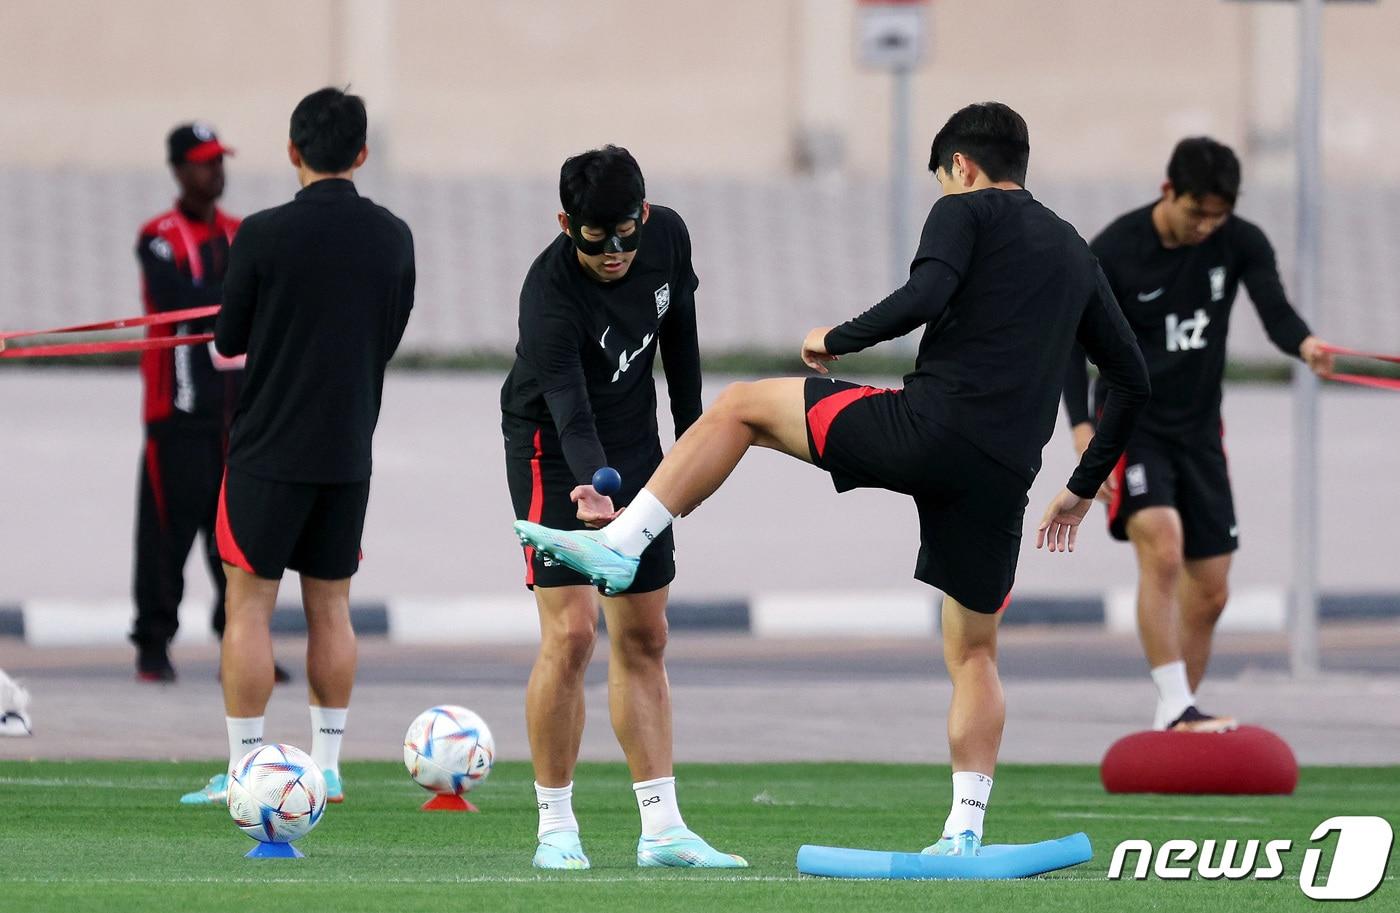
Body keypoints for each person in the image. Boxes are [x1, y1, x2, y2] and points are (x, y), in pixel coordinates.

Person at [517, 102, 1151, 858]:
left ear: (965, 167)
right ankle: (964, 831)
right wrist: (1081, 485)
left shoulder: (966, 212)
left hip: (928, 429)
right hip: (1007, 470)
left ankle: (624, 538)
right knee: (975, 652)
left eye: (945, 179)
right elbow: (1133, 379)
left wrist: (835, 339)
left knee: (743, 405)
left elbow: (925, 296)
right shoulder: (1077, 253)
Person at [500, 145, 743, 870]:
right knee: (572, 634)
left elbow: (683, 344)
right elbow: (571, 412)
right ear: (564, 223)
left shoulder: (667, 234)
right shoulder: (547, 296)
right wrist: (591, 487)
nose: (614, 253)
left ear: (643, 213)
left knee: (645, 635)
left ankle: (663, 829)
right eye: (594, 239)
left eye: (625, 235)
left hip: (638, 441)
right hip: (554, 451)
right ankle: (555, 827)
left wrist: (699, 445)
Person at [177, 88, 414, 807]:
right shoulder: (395, 236)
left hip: (267, 450)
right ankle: (329, 766)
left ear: (293, 151)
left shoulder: (260, 233)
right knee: (331, 607)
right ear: (362, 154)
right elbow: (389, 333)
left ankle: (248, 768)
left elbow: (227, 341)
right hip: (347, 451)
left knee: (247, 608)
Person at [1062, 137, 1334, 733]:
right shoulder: (1113, 251)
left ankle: (1176, 712)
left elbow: (1276, 312)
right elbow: (1070, 346)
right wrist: (1083, 429)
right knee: (1162, 545)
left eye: (1218, 215)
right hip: (1131, 426)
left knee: (1211, 593)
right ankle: (1176, 705)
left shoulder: (1240, 242)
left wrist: (1306, 345)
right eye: (1196, 212)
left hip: (1200, 434)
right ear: (1168, 192)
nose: (1206, 226)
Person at [130, 123, 289, 685]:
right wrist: (236, 295)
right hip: (177, 416)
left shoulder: (241, 232)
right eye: (202, 162)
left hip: (241, 418)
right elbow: (180, 300)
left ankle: (243, 646)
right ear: (177, 170)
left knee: (241, 538)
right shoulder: (159, 237)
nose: (214, 172)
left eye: (219, 160)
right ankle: (153, 645)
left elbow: (259, 298)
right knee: (164, 536)